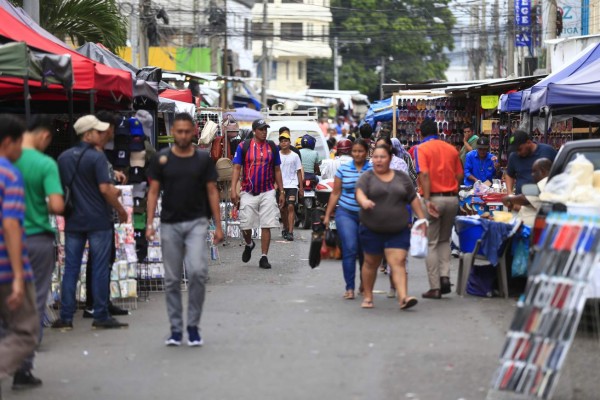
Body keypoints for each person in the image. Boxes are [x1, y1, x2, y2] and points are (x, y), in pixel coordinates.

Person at [147, 112, 224, 347]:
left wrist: (219, 226)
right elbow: (152, 192)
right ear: (173, 133)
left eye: (186, 131)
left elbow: (212, 191)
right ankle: (175, 328)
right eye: (178, 131)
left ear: (193, 133)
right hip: (169, 224)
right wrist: (150, 224)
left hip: (197, 224)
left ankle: (192, 326)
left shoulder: (202, 160)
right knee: (171, 280)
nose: (182, 135)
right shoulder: (162, 159)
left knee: (198, 273)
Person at [53, 115, 128, 330]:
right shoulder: (97, 158)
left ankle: (66, 317)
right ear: (87, 134)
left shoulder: (64, 158)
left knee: (71, 269)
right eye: (97, 131)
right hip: (98, 220)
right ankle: (101, 315)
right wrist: (121, 210)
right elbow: (105, 189)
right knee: (99, 268)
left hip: (74, 220)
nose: (102, 134)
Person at [12, 116, 64, 390]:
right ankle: (23, 369)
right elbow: (56, 204)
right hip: (36, 240)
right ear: (44, 135)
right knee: (34, 303)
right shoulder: (45, 164)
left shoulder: (7, 160)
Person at [356, 145, 427, 310]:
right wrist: (364, 201)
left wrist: (423, 220)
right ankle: (367, 296)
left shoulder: (402, 178)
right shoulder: (367, 177)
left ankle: (403, 297)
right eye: (376, 157)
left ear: (390, 158)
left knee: (398, 261)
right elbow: (359, 192)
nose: (379, 160)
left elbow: (413, 199)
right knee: (371, 263)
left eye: (383, 157)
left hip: (398, 229)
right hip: (372, 229)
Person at [0, 115, 39, 398]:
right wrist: (17, 276)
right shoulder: (9, 175)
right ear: (8, 142)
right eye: (19, 143)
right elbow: (11, 225)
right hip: (5, 266)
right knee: (26, 332)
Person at [82, 110, 129, 319]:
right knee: (99, 260)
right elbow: (102, 188)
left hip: (98, 213)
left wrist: (114, 174)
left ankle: (102, 301)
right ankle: (94, 304)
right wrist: (119, 207)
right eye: (110, 129)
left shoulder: (98, 153)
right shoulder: (93, 153)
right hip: (98, 213)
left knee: (104, 259)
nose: (112, 133)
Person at [414, 119, 463, 299]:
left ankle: (435, 287)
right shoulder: (451, 149)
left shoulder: (421, 149)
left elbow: (424, 174)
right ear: (438, 132)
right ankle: (445, 277)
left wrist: (427, 200)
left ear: (421, 133)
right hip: (451, 199)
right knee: (444, 240)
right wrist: (452, 189)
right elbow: (460, 174)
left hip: (433, 198)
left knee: (432, 242)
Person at [231, 119, 285, 269]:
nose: (264, 132)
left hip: (267, 190)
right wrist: (232, 189)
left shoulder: (272, 147)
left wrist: (282, 191)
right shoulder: (244, 146)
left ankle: (264, 257)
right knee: (245, 224)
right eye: (261, 129)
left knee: (266, 224)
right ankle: (249, 243)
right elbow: (236, 168)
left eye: (265, 129)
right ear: (254, 131)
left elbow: (277, 170)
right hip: (248, 190)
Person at [323, 139, 372, 299]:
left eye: (361, 151)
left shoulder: (372, 170)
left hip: (367, 215)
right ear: (351, 152)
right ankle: (349, 288)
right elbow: (335, 193)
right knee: (350, 248)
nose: (358, 154)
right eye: (355, 151)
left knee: (364, 251)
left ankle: (364, 284)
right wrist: (328, 214)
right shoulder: (343, 170)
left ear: (366, 153)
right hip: (346, 213)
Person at [502, 158, 552, 227]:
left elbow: (524, 199)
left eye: (534, 172)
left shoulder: (545, 182)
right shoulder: (545, 184)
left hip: (531, 231)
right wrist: (514, 206)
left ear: (543, 171)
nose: (532, 175)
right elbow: (532, 207)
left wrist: (509, 199)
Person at [506, 130, 557, 195]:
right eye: (515, 150)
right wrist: (510, 193)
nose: (518, 153)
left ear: (528, 142)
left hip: (544, 198)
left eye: (519, 149)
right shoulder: (513, 156)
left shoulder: (547, 151)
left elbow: (561, 171)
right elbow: (509, 175)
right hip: (521, 200)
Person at [278, 131, 303, 241]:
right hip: (281, 185)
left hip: (292, 185)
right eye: (282, 141)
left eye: (286, 141)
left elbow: (299, 172)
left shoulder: (295, 156)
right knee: (283, 209)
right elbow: (274, 171)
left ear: (289, 142)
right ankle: (285, 227)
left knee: (291, 206)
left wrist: (301, 188)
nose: (284, 143)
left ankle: (291, 232)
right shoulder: (277, 155)